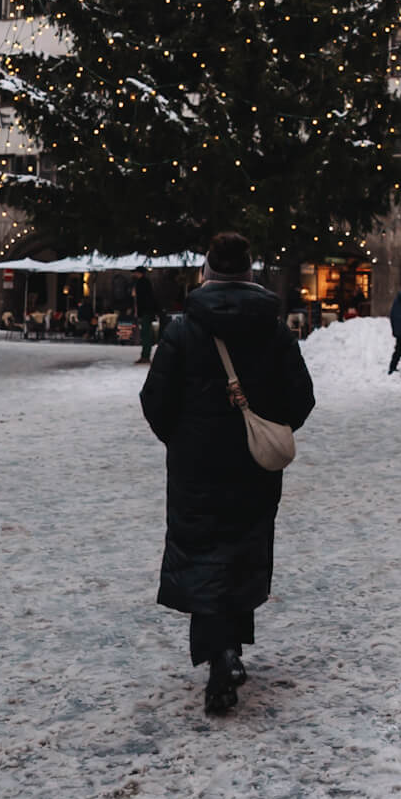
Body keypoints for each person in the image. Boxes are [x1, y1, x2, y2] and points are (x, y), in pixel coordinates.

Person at [140, 231, 314, 717]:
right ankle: (231, 649)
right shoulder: (274, 329)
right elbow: (301, 398)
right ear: (249, 273)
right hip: (253, 466)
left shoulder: (181, 330)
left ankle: (220, 655)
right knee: (242, 550)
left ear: (207, 273)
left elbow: (155, 400)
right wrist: (267, 427)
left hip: (196, 466)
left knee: (201, 553)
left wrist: (183, 438)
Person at [132, 266, 158, 365]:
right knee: (146, 333)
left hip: (145, 311)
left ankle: (145, 355)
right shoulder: (145, 282)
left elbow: (142, 299)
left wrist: (139, 312)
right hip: (146, 311)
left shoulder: (142, 283)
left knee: (146, 333)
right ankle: (145, 355)